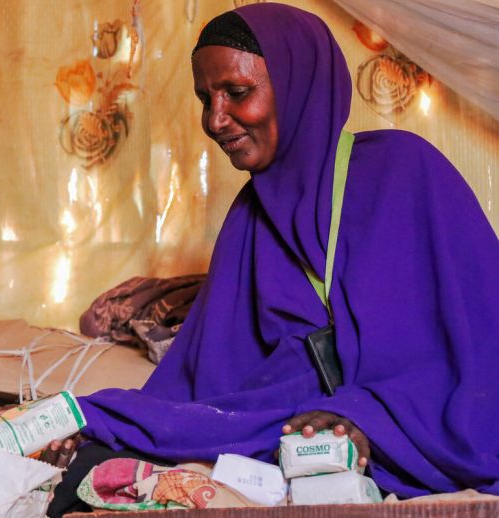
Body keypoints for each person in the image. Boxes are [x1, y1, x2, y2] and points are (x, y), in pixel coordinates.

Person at [48, 3, 499, 514]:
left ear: (299, 84)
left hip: (417, 424)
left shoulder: (405, 173)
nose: (215, 120)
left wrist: (362, 416)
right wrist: (101, 431)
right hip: (287, 427)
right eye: (205, 98)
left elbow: (480, 353)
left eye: (237, 93)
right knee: (94, 467)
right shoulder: (250, 218)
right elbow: (207, 381)